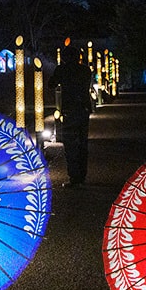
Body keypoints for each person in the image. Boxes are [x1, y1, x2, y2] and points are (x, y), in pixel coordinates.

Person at [47, 45, 93, 187]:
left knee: (70, 144)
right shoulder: (86, 70)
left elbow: (51, 84)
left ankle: (74, 177)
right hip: (83, 108)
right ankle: (82, 175)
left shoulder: (62, 70)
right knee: (82, 143)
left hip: (69, 109)